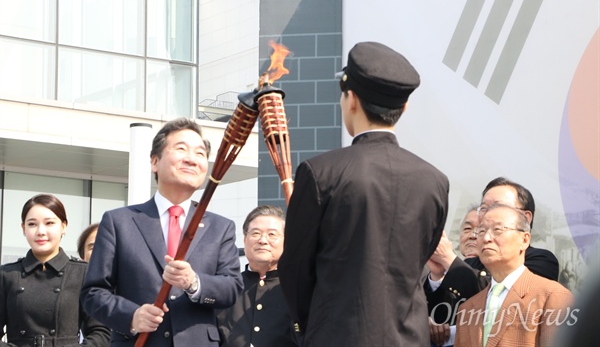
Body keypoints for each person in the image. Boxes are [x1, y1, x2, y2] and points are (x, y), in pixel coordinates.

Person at [278, 41, 449, 346]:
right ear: (404, 107)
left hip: (337, 336)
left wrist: (320, 321)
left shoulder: (321, 172)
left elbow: (295, 270)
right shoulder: (434, 180)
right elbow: (421, 255)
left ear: (351, 99)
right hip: (410, 338)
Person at [81, 117, 243, 346]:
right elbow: (93, 292)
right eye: (181, 149)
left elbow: (232, 288)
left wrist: (193, 282)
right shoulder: (119, 222)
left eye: (199, 153)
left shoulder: (220, 227)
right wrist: (132, 316)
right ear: (154, 162)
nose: (191, 159)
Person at [455, 204, 573, 347]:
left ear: (524, 240)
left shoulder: (552, 296)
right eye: (481, 231)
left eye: (498, 230)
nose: (486, 238)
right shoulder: (467, 309)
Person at [0, 194, 110, 346]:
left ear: (63, 226)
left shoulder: (82, 273)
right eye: (32, 224)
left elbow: (101, 332)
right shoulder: (6, 275)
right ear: (23, 228)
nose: (41, 231)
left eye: (49, 223)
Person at [217, 205, 296, 347]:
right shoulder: (228, 288)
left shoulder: (297, 289)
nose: (263, 240)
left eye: (272, 234)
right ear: (245, 240)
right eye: (255, 233)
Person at [465, 177, 560, 281]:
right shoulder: (469, 264)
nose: (489, 213)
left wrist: (449, 259)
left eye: (498, 206)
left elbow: (508, 290)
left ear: (525, 217)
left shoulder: (542, 261)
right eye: (483, 208)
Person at [425, 207, 482, 347]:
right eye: (467, 229)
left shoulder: (500, 276)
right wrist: (437, 276)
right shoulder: (438, 270)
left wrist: (448, 259)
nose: (472, 235)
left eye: (481, 230)